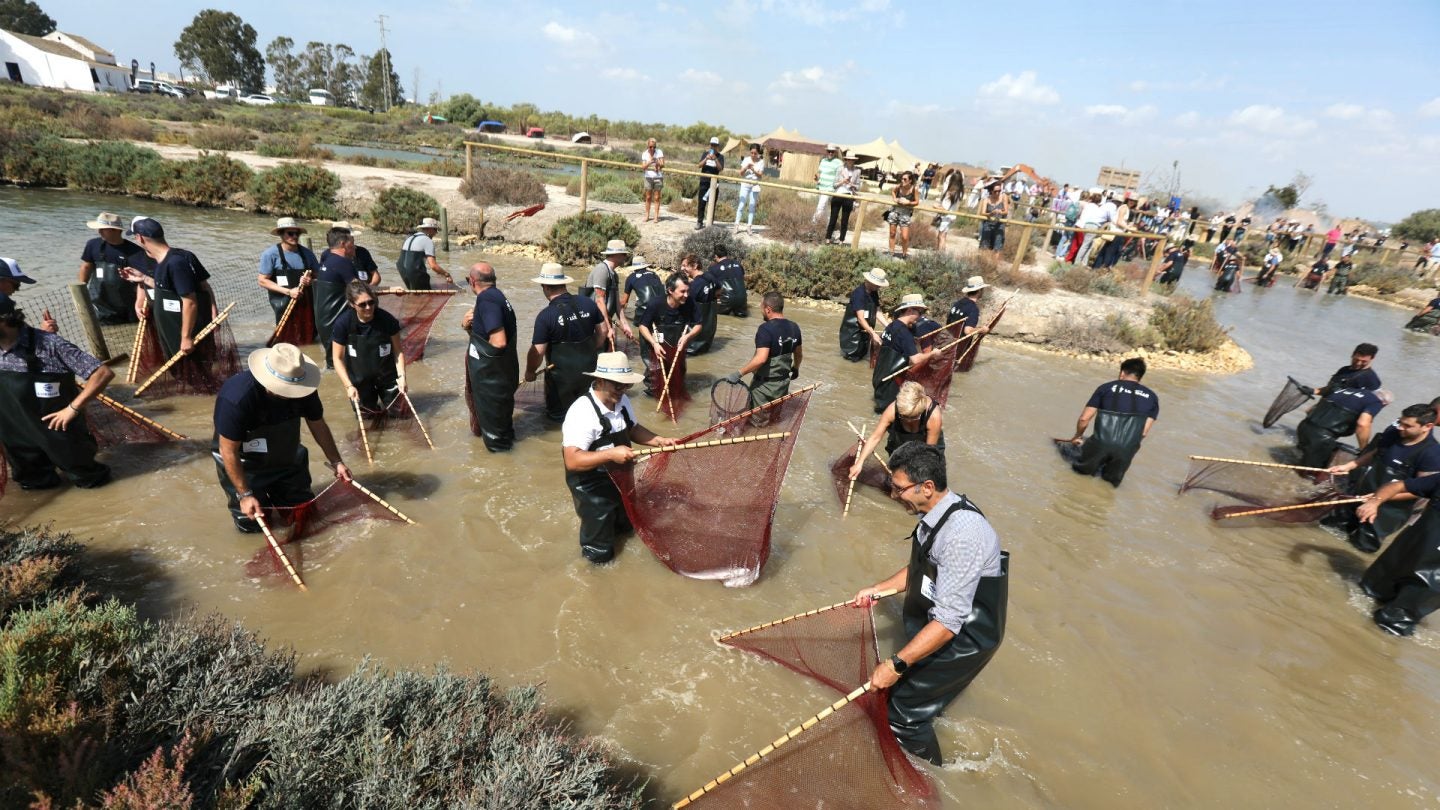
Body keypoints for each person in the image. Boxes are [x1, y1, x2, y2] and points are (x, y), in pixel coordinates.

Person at [851, 442, 1007, 765]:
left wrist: (894, 665)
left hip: (965, 637)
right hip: (941, 620)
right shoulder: (935, 513)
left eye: (899, 489)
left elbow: (949, 624)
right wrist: (877, 589)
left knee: (902, 713)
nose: (894, 496)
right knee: (910, 692)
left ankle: (933, 780)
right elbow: (922, 570)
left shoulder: (963, 535)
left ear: (927, 487)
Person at [212, 343, 352, 533]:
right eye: (286, 389)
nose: (292, 393)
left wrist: (336, 461)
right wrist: (244, 494)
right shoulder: (237, 398)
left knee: (303, 518)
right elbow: (228, 451)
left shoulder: (304, 388)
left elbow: (317, 424)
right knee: (253, 524)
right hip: (246, 464)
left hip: (287, 457)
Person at [561, 351, 676, 562]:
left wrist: (659, 440)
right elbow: (573, 460)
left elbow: (631, 429)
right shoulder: (582, 413)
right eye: (618, 385)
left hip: (621, 479)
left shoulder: (621, 401)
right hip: (592, 489)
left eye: (626, 385)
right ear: (600, 380)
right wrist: (611, 454)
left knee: (626, 528)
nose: (623, 390)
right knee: (600, 550)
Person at [0, 294, 113, 490]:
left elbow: (102, 373)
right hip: (17, 436)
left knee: (91, 481)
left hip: (59, 432)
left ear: (3, 320)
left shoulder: (50, 344)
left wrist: (73, 408)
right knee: (35, 487)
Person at [1324, 404, 1440, 552]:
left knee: (1360, 548)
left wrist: (1378, 499)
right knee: (1329, 527)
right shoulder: (1393, 434)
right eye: (1400, 422)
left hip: (1388, 510)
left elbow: (1420, 490)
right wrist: (1350, 465)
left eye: (1407, 426)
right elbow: (1376, 452)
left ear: (1427, 426)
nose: (1400, 427)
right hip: (1359, 495)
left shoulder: (1432, 454)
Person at [1356, 470, 1440, 636]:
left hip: (1432, 578)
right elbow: (1398, 485)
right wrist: (1375, 502)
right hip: (1404, 554)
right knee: (1362, 593)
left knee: (1391, 625)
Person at [525, 263, 607, 422]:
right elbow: (603, 331)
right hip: (589, 372)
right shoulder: (588, 303)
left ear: (545, 287)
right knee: (589, 414)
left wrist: (530, 372)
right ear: (563, 283)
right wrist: (590, 350)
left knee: (558, 420)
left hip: (561, 381)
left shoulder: (545, 316)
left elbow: (538, 352)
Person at [1061, 358, 1159, 487]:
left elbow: (1084, 418)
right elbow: (1144, 432)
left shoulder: (1106, 388)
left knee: (1078, 476)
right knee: (1108, 486)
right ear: (1140, 376)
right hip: (1127, 448)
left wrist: (1077, 436)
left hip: (1101, 443)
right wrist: (1124, 448)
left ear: (1122, 373)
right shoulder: (1152, 397)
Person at [129, 218, 216, 359]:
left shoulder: (175, 263)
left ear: (139, 238)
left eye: (135, 237)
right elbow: (169, 290)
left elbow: (190, 302)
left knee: (196, 371)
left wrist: (186, 337)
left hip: (185, 333)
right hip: (172, 330)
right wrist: (143, 278)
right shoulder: (162, 261)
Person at [460, 263, 517, 452]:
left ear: (473, 281)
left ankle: (502, 475)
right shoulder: (497, 296)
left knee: (497, 445)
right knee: (503, 432)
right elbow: (488, 338)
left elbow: (499, 342)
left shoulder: (486, 300)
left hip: (491, 382)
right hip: (502, 378)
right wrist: (469, 327)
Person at [329, 281, 405, 412]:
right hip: (359, 379)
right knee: (367, 417)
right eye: (362, 304)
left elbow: (398, 352)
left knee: (400, 413)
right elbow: (337, 359)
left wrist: (402, 377)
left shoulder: (388, 320)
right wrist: (349, 386)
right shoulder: (343, 324)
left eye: (371, 302)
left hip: (387, 375)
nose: (368, 307)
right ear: (352, 304)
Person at [851, 381, 944, 478]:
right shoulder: (892, 410)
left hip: (927, 449)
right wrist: (859, 463)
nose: (908, 420)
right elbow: (875, 437)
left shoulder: (933, 416)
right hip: (899, 443)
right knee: (895, 478)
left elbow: (928, 454)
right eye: (904, 416)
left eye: (913, 417)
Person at [727, 291, 802, 411]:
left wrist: (739, 373)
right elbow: (798, 354)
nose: (761, 310)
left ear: (768, 309)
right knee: (775, 417)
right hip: (782, 385)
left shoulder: (765, 329)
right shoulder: (794, 327)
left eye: (761, 307)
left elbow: (761, 359)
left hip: (763, 389)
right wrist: (796, 368)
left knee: (756, 421)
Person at [636, 273, 699, 398]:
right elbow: (642, 326)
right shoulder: (655, 304)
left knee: (677, 371)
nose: (686, 295)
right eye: (682, 291)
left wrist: (688, 336)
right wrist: (654, 344)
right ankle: (651, 397)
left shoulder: (689, 302)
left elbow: (699, 324)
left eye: (688, 291)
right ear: (670, 290)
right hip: (653, 340)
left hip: (676, 339)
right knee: (655, 372)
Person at [1295, 387, 1391, 468]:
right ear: (1384, 404)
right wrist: (1364, 449)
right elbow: (1363, 424)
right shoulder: (1376, 402)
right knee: (1310, 472)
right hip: (1321, 437)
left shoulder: (1346, 390)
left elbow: (1309, 410)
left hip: (1304, 426)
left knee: (1298, 461)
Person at [872, 294, 937, 414]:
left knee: (880, 412)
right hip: (891, 382)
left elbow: (894, 345)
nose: (920, 316)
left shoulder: (891, 326)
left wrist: (912, 343)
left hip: (879, 378)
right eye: (920, 312)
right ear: (910, 310)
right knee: (891, 416)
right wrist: (933, 354)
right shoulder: (904, 333)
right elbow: (916, 359)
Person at [79, 212, 144, 325]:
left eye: (103, 229)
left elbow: (141, 281)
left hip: (126, 306)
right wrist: (81, 290)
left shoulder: (136, 252)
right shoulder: (93, 245)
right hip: (99, 303)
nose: (99, 231)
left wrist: (139, 303)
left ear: (115, 230)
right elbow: (86, 267)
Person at [312, 228, 363, 367]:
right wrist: (390, 289)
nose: (354, 246)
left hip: (324, 322)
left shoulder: (326, 257)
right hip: (337, 322)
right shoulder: (343, 263)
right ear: (343, 244)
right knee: (345, 362)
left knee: (333, 361)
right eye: (351, 242)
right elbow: (360, 291)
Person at [257, 217, 320, 324]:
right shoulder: (270, 254)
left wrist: (310, 281)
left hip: (306, 304)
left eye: (297, 234)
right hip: (283, 304)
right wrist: (289, 292)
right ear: (281, 234)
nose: (295, 236)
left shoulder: (308, 254)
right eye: (290, 233)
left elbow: (319, 276)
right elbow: (262, 280)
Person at [582, 239, 632, 344]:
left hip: (604, 319)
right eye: (623, 254)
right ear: (617, 255)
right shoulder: (602, 270)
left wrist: (625, 324)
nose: (625, 257)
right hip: (594, 321)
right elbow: (600, 301)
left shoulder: (614, 274)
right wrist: (608, 328)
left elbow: (617, 303)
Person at [839, 267, 889, 362]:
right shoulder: (859, 294)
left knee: (862, 356)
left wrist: (889, 326)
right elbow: (860, 319)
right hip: (853, 334)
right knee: (851, 360)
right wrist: (873, 334)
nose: (879, 287)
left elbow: (877, 312)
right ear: (870, 281)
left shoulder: (874, 293)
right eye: (878, 285)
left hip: (866, 332)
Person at [396, 217, 454, 290]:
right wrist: (446, 274)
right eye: (435, 229)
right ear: (429, 229)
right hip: (415, 272)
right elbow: (433, 266)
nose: (436, 233)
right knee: (428, 297)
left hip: (402, 270)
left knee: (415, 294)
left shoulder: (409, 237)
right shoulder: (427, 241)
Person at [1, 258, 57, 333]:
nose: (17, 290)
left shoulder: (5, 308)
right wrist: (44, 335)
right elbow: (10, 341)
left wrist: (44, 334)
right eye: (16, 285)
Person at [680, 254, 719, 356]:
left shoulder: (694, 286)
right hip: (708, 332)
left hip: (694, 335)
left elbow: (684, 305)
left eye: (685, 266)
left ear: (695, 266)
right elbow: (720, 289)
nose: (682, 268)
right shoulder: (710, 276)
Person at [1310, 345, 1382, 397]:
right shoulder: (1344, 369)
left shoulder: (1372, 379)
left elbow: (1371, 404)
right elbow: (1330, 390)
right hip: (1323, 408)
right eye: (1356, 359)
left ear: (1372, 358)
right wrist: (1312, 391)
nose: (1358, 363)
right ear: (1352, 355)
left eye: (1364, 361)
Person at [328, 221, 381, 286]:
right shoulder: (327, 255)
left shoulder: (362, 252)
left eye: (352, 238)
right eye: (350, 238)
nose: (353, 240)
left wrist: (369, 288)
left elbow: (376, 276)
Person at [826, 151, 862, 244]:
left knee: (845, 220)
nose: (850, 161)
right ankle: (828, 238)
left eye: (852, 160)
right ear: (846, 160)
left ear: (854, 161)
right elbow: (834, 184)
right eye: (848, 159)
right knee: (833, 217)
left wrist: (851, 184)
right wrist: (843, 181)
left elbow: (858, 186)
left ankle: (841, 240)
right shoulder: (840, 169)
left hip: (849, 195)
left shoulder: (857, 171)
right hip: (838, 194)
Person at [708, 243, 747, 317]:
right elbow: (743, 280)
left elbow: (709, 287)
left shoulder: (713, 268)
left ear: (716, 256)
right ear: (726, 254)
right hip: (742, 300)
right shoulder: (738, 264)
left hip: (725, 301)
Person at [947, 276, 992, 340]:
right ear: (979, 291)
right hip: (958, 346)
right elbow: (967, 331)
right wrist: (982, 329)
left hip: (946, 342)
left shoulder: (957, 303)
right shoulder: (973, 309)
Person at [888, 171, 921, 259]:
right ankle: (891, 252)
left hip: (906, 213)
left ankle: (904, 254)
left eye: (905, 179)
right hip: (894, 211)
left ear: (910, 181)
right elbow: (893, 191)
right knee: (892, 233)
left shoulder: (914, 189)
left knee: (904, 236)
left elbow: (917, 202)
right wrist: (895, 199)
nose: (902, 180)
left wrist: (908, 202)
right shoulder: (899, 186)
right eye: (901, 178)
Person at [695, 136, 725, 229]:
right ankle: (699, 222)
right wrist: (706, 159)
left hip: (714, 184)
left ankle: (710, 223)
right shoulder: (705, 154)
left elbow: (720, 169)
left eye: (715, 145)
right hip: (704, 182)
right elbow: (699, 165)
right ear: (710, 145)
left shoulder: (721, 156)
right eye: (712, 145)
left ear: (718, 146)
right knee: (701, 203)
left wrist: (715, 159)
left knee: (712, 203)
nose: (713, 147)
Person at [735, 143, 765, 234]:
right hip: (745, 184)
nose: (753, 155)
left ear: (758, 153)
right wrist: (746, 168)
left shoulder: (761, 162)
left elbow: (760, 175)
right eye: (751, 153)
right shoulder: (746, 159)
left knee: (752, 205)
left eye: (755, 153)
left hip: (755, 185)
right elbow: (741, 173)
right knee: (741, 204)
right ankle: (736, 225)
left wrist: (753, 170)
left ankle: (749, 226)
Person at [811, 143, 842, 224]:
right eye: (829, 151)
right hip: (821, 186)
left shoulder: (838, 163)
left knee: (821, 206)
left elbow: (839, 177)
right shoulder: (823, 161)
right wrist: (817, 178)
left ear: (835, 152)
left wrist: (835, 188)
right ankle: (828, 226)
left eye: (832, 151)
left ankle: (813, 225)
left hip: (830, 188)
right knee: (825, 208)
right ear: (827, 151)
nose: (830, 153)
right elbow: (820, 173)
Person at [977, 180, 1009, 254]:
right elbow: (982, 213)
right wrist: (990, 213)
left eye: (999, 191)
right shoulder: (986, 199)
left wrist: (1001, 212)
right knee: (984, 246)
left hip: (1000, 224)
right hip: (988, 224)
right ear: (991, 191)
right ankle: (984, 262)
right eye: (995, 191)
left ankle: (994, 264)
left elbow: (1006, 211)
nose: (997, 193)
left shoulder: (1004, 197)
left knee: (997, 247)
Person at [640, 138, 665, 223]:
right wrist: (650, 162)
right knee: (648, 197)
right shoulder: (644, 154)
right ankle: (647, 216)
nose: (652, 149)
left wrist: (657, 163)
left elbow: (663, 164)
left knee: (657, 197)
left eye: (654, 147)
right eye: (650, 147)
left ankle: (656, 217)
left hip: (658, 177)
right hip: (648, 177)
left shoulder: (659, 152)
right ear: (648, 146)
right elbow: (643, 167)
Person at [935, 185, 962, 253]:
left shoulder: (950, 198)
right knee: (943, 236)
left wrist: (936, 207)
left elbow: (945, 209)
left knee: (941, 236)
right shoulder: (956, 198)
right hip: (950, 218)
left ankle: (940, 253)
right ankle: (942, 253)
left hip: (946, 218)